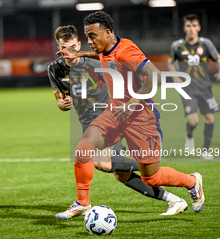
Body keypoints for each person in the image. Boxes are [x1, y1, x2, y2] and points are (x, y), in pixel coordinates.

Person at [57, 11, 204, 213]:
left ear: (107, 33)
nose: (89, 41)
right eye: (87, 36)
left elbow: (155, 74)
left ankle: (191, 181)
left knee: (151, 177)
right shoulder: (107, 47)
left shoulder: (126, 51)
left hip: (141, 118)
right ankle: (83, 203)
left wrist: (133, 102)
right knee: (84, 148)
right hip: (114, 114)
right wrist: (79, 54)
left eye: (92, 36)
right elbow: (101, 55)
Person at [169, 14, 220, 160]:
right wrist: (175, 77)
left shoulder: (206, 44)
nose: (191, 29)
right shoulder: (177, 46)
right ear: (184, 28)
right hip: (188, 89)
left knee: (210, 118)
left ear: (199, 27)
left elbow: (217, 58)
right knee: (194, 120)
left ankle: (205, 151)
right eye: (188, 26)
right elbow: (171, 62)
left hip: (205, 88)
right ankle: (189, 135)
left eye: (194, 26)